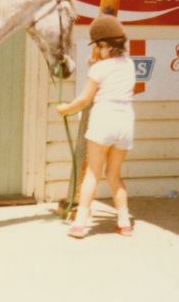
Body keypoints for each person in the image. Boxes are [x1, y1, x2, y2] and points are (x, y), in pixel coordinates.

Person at [56, 15, 136, 238]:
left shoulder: (98, 70)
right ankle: (124, 223)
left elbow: (84, 100)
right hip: (125, 123)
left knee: (92, 173)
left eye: (99, 47)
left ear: (105, 46)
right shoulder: (130, 64)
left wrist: (65, 109)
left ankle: (80, 223)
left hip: (104, 120)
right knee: (114, 175)